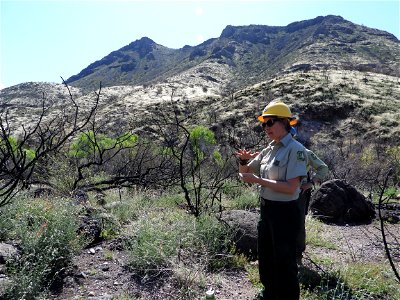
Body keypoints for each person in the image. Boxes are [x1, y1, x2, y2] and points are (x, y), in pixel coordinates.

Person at [236, 100, 307, 300]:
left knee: (285, 262)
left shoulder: (296, 149)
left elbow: (291, 187)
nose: (265, 127)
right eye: (263, 124)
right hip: (267, 210)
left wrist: (258, 180)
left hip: (285, 212)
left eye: (270, 122)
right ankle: (269, 294)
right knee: (266, 258)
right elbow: (245, 174)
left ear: (285, 122)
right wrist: (243, 161)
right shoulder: (269, 149)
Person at [291, 126, 329, 264]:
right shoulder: (276, 151)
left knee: (298, 223)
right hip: (280, 192)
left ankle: (297, 256)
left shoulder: (304, 152)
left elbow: (323, 167)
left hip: (299, 193)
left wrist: (311, 183)